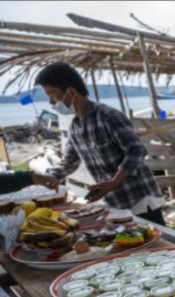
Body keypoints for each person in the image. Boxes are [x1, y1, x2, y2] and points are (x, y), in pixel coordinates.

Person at [34, 62, 166, 226]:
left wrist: (113, 182)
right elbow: (69, 161)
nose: (51, 103)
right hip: (115, 204)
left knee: (156, 245)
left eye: (53, 96)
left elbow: (137, 150)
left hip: (141, 200)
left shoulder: (107, 116)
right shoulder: (75, 126)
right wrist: (49, 176)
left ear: (70, 92)